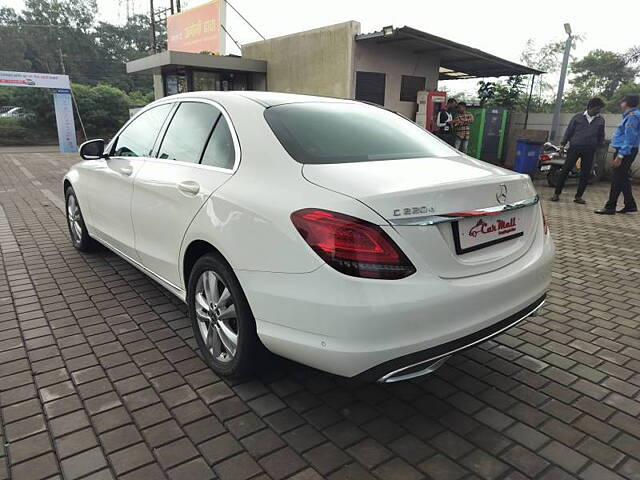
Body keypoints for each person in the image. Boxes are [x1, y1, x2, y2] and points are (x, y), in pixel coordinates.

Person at [550, 97, 606, 204]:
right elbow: (569, 131)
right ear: (590, 107)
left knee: (585, 173)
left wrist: (600, 147)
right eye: (597, 109)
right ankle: (556, 194)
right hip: (575, 148)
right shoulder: (577, 117)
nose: (599, 111)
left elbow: (601, 135)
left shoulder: (600, 120)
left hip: (590, 150)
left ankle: (578, 197)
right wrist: (562, 144)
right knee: (565, 170)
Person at [595, 94, 640, 214]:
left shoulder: (632, 116)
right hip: (626, 150)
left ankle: (610, 206)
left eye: (623, 101)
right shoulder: (631, 116)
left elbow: (629, 138)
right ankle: (630, 204)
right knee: (623, 177)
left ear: (627, 103)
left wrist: (620, 156)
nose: (621, 103)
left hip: (625, 151)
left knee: (617, 178)